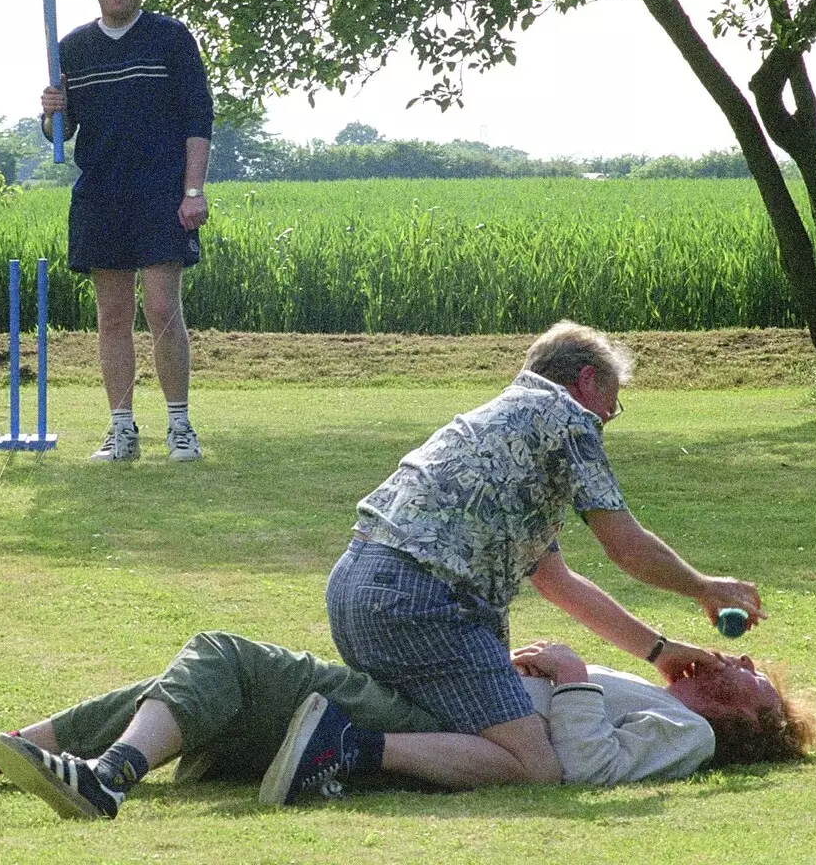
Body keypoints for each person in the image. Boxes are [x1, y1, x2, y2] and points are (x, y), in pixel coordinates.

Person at [325, 320, 767, 786]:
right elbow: (623, 544)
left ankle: (337, 749)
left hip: (355, 589)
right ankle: (347, 747)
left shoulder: (506, 424)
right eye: (611, 406)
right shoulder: (567, 417)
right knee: (533, 766)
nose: (605, 421)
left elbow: (557, 582)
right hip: (419, 603)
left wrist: (659, 653)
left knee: (463, 732)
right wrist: (705, 588)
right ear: (587, 380)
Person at [0, 631, 816, 821]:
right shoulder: (676, 698)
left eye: (754, 685)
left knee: (222, 656)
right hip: (455, 699)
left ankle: (106, 779)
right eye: (746, 666)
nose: (741, 666)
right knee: (190, 684)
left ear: (746, 728)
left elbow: (581, 765)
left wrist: (572, 678)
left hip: (435, 721)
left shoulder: (692, 740)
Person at [40, 0, 213, 463]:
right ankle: (121, 430)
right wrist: (51, 111)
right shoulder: (71, 49)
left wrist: (193, 190)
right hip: (101, 192)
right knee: (112, 316)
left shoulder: (171, 38)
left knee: (163, 309)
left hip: (162, 190)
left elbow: (197, 120)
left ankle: (179, 427)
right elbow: (61, 134)